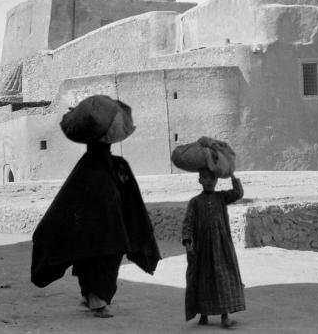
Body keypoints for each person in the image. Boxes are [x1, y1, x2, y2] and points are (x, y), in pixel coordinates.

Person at [31, 96, 161, 318]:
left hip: (103, 227)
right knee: (103, 261)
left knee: (92, 258)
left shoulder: (102, 166)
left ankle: (91, 297)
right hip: (106, 228)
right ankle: (97, 301)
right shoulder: (106, 166)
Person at [182, 169, 246, 328]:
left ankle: (225, 317)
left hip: (222, 247)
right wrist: (188, 241)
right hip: (202, 248)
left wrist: (232, 175)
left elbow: (238, 193)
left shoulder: (222, 197)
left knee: (223, 279)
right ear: (200, 181)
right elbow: (188, 223)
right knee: (203, 280)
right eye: (205, 178)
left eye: (212, 178)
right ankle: (204, 315)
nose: (209, 181)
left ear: (217, 180)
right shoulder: (195, 202)